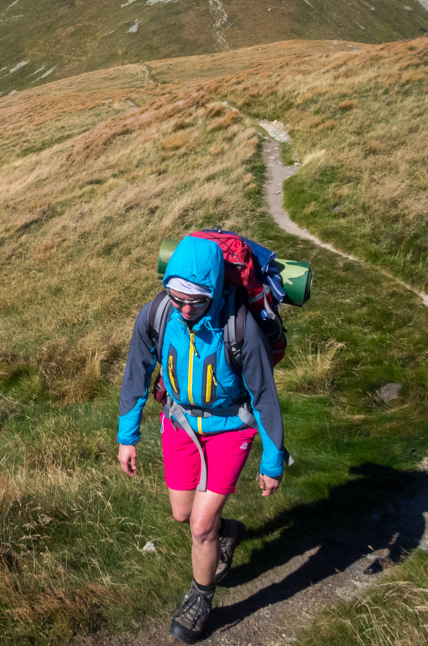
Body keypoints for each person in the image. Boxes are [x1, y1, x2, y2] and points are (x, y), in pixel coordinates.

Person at [117, 234, 289, 644]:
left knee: (199, 525)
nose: (185, 309)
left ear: (213, 290)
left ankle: (200, 596)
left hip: (231, 429)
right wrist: (128, 436)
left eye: (195, 300)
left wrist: (272, 458)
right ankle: (227, 533)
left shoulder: (240, 328)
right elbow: (136, 374)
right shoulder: (157, 315)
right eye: (177, 298)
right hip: (180, 424)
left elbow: (264, 396)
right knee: (182, 513)